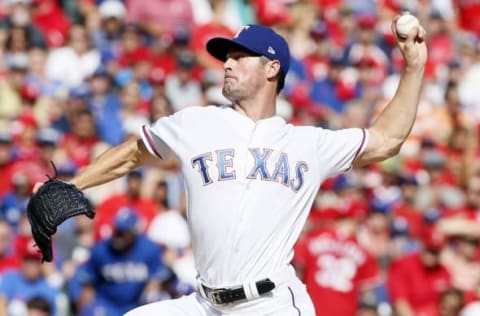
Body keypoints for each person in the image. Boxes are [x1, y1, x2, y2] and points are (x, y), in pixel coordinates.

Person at [33, 17, 427, 315]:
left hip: (271, 303)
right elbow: (134, 151)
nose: (228, 64)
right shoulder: (195, 123)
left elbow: (386, 140)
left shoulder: (309, 143)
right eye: (227, 57)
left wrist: (413, 68)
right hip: (204, 303)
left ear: (272, 69)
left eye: (240, 57)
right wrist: (71, 184)